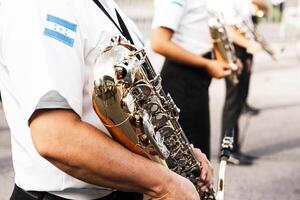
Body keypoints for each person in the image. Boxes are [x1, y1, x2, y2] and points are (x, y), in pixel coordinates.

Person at [0, 0, 213, 199]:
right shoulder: (41, 6)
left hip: (120, 187)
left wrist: (178, 155)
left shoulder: (106, 7)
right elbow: (56, 137)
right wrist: (165, 183)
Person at [151, 0, 233, 160]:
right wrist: (207, 64)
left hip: (196, 79)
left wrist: (224, 58)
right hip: (182, 80)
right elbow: (159, 43)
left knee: (201, 159)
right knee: (192, 163)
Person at [208, 0, 262, 165]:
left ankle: (234, 147)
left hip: (243, 50)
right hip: (234, 48)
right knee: (233, 102)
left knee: (239, 101)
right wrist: (248, 44)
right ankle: (229, 151)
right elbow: (229, 30)